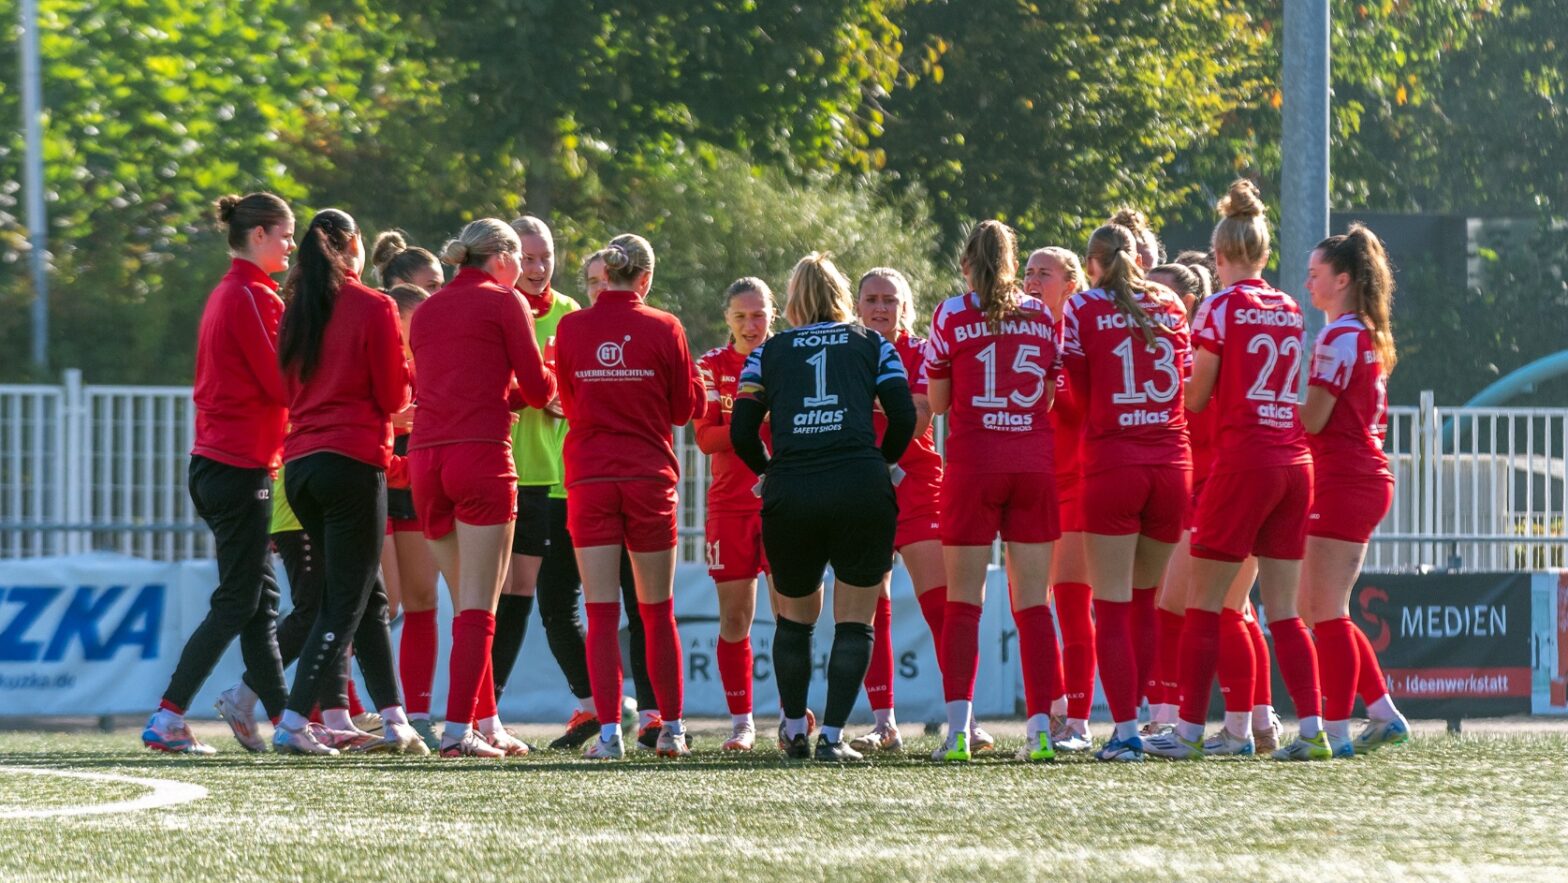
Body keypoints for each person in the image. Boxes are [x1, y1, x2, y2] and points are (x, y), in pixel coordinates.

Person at [1145, 180, 1326, 761]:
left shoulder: (1220, 306)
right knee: (1285, 612)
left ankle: (1188, 733)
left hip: (1243, 462)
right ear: (1264, 254)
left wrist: (1168, 384)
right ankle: (1314, 730)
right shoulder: (1290, 306)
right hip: (1292, 461)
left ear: (1219, 255)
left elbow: (1197, 396)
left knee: (1206, 603)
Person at [731, 252, 915, 762]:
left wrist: (770, 472)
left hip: (792, 490)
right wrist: (879, 463)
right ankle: (833, 736)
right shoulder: (873, 342)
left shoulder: (767, 351)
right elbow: (903, 415)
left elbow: (741, 432)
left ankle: (794, 731)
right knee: (855, 621)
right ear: (842, 296)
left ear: (792, 301)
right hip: (860, 487)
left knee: (794, 621)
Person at [144, 193, 295, 755]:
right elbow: (280, 382)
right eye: (285, 235)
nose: (290, 245)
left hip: (222, 463)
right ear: (258, 235)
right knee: (240, 599)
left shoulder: (231, 291)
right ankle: (168, 716)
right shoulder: (253, 295)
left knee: (258, 599)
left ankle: (285, 720)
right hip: (238, 465)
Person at [269, 208, 423, 755]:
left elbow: (285, 389)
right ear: (354, 244)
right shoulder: (373, 304)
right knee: (345, 601)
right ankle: (293, 720)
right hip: (353, 462)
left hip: (302, 467)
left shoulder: (297, 308)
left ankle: (395, 718)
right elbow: (392, 394)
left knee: (367, 594)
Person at [409, 218, 556, 758]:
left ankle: (485, 721)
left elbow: (449, 385)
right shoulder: (504, 300)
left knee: (467, 606)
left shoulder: (428, 308)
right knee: (479, 607)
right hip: (480, 457)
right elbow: (538, 389)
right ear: (503, 258)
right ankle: (458, 732)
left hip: (426, 460)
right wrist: (552, 372)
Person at [556, 234, 706, 760]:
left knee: (600, 613)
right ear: (645, 278)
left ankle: (608, 737)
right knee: (656, 610)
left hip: (590, 478)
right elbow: (684, 410)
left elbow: (570, 402)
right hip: (648, 478)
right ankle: (673, 731)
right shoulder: (665, 326)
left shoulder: (571, 327)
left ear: (606, 274)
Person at [925, 220, 1064, 763]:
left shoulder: (951, 313)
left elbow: (938, 402)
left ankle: (959, 732)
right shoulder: (1040, 314)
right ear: (1012, 264)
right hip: (1031, 464)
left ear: (966, 264)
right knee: (1034, 606)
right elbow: (1048, 395)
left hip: (973, 466)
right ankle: (1041, 733)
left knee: (964, 604)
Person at [1061, 225, 1193, 763]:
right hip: (1172, 465)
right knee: (1144, 602)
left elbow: (1076, 397)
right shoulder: (1170, 303)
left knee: (1112, 608)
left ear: (1091, 264)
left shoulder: (1082, 306)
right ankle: (1139, 715)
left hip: (1113, 464)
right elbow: (1186, 381)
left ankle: (1125, 732)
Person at [533, 249, 664, 751]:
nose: (596, 289)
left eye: (602, 279)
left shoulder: (573, 318)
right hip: (557, 485)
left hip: (605, 483)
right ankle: (594, 705)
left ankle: (651, 716)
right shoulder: (571, 327)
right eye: (589, 281)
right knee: (558, 607)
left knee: (636, 604)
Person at [1301, 223, 1410, 754]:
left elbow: (1314, 419)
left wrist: (1267, 409)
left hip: (1345, 479)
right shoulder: (1362, 332)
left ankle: (1336, 732)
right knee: (1317, 608)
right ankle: (1383, 712)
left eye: (1315, 274)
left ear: (1342, 279)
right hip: (1354, 476)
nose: (1308, 284)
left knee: (1325, 611)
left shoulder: (1339, 335)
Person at [844, 266, 944, 755]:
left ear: (906, 308)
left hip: (917, 484)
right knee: (872, 608)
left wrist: (869, 404)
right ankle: (884, 722)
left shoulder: (921, 351)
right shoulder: (845, 350)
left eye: (890, 300)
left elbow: (920, 416)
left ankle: (964, 718)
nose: (880, 308)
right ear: (857, 306)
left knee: (941, 606)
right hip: (864, 486)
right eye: (871, 299)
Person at [696, 277, 778, 751]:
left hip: (784, 502)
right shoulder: (711, 365)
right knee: (734, 619)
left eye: (759, 315)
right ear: (727, 318)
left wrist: (740, 423)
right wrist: (757, 423)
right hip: (729, 506)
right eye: (741, 316)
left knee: (792, 617)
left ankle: (791, 713)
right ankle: (742, 723)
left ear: (773, 315)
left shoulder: (788, 357)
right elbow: (706, 438)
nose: (751, 325)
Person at [1024, 245, 1095, 752]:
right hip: (1028, 486)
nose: (1031, 280)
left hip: (1073, 485)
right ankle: (1049, 711)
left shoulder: (1079, 334)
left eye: (1043, 273)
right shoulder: (1016, 330)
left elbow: (1077, 408)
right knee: (1030, 606)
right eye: (1027, 271)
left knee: (1072, 606)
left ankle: (1080, 720)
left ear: (1070, 284)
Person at [378, 282, 443, 750]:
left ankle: (418, 713)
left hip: (414, 487)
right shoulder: (374, 358)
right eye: (417, 320)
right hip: (377, 486)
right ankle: (340, 708)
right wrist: (390, 422)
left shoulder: (429, 365)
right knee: (384, 604)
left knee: (422, 599)